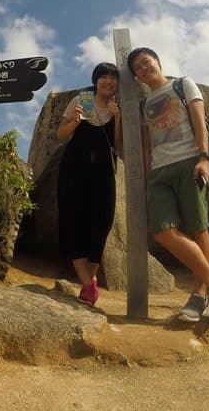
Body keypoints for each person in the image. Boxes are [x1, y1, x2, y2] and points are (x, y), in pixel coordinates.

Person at [127, 47, 209, 323]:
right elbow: (148, 142)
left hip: (189, 161)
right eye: (137, 68)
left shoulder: (182, 84)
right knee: (162, 231)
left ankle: (199, 295)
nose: (143, 69)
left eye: (146, 62)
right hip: (159, 171)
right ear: (136, 76)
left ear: (158, 61)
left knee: (198, 227)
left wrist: (204, 158)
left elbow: (199, 122)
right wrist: (148, 172)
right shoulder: (143, 104)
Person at [56, 62, 123, 306]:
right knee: (73, 221)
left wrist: (118, 118)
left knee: (101, 222)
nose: (108, 81)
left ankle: (90, 281)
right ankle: (88, 284)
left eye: (113, 77)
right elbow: (61, 135)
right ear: (96, 80)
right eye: (104, 76)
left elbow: (118, 146)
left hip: (103, 173)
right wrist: (74, 122)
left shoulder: (117, 108)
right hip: (74, 171)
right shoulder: (82, 100)